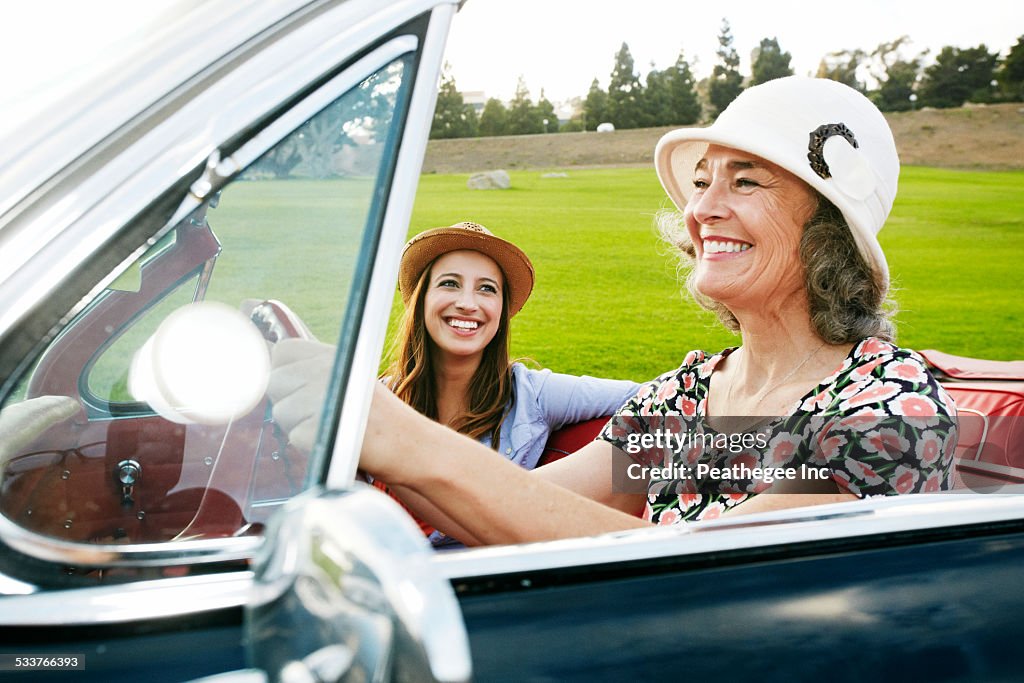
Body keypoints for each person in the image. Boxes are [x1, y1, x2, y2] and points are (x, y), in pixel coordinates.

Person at [276, 76, 958, 546]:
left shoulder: (884, 409)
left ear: (828, 231)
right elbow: (521, 500)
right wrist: (369, 436)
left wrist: (402, 435)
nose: (700, 209)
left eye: (745, 181)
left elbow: (697, 564)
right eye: (700, 183)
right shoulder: (690, 397)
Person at [270, 221, 639, 544]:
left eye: (486, 289)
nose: (467, 303)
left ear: (501, 312)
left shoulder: (532, 393)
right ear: (421, 299)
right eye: (450, 284)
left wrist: (551, 488)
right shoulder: (379, 400)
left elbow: (659, 397)